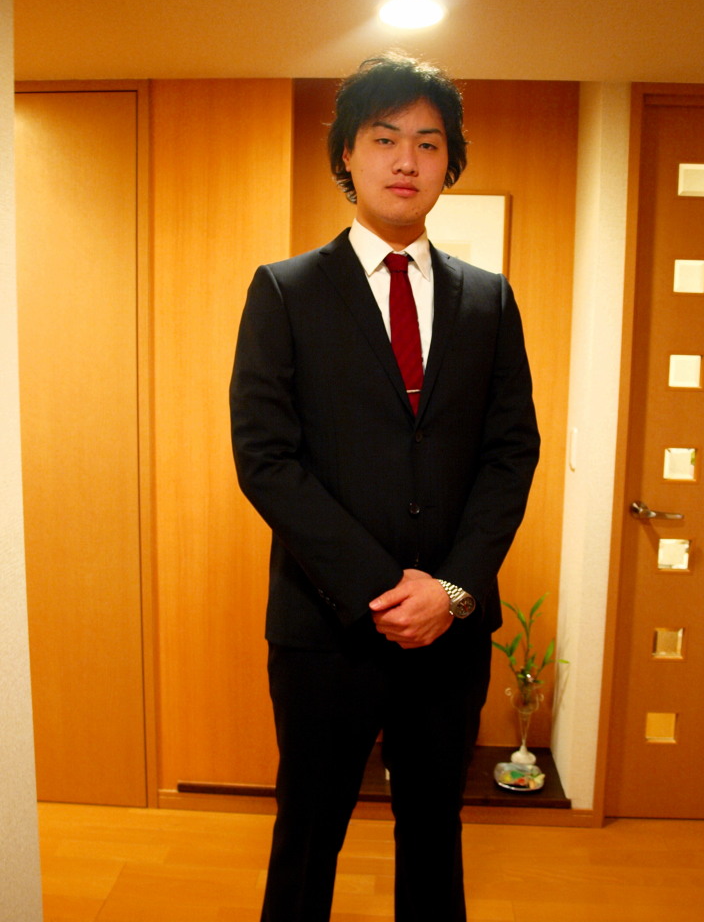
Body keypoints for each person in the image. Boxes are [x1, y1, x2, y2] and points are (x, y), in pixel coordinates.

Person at [230, 52, 540, 922]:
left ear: (450, 163)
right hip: (324, 628)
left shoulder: (489, 300)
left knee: (435, 832)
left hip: (451, 629)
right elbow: (265, 457)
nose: (407, 160)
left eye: (429, 143)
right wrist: (380, 588)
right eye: (384, 138)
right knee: (307, 835)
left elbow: (511, 453)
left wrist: (451, 590)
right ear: (347, 154)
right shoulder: (286, 291)